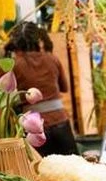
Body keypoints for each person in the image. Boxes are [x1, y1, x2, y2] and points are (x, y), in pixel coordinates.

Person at [4, 22, 78, 156]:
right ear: (38, 39)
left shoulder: (14, 64)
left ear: (15, 42)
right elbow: (64, 88)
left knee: (39, 168)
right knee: (72, 166)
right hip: (60, 123)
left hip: (35, 129)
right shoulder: (52, 58)